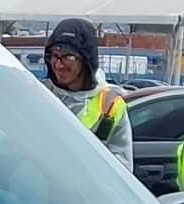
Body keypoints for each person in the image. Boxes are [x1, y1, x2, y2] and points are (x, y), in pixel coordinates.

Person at [42, 17, 133, 168]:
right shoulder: (39, 94)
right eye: (54, 55)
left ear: (86, 60)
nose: (58, 64)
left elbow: (122, 170)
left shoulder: (110, 106)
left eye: (68, 56)